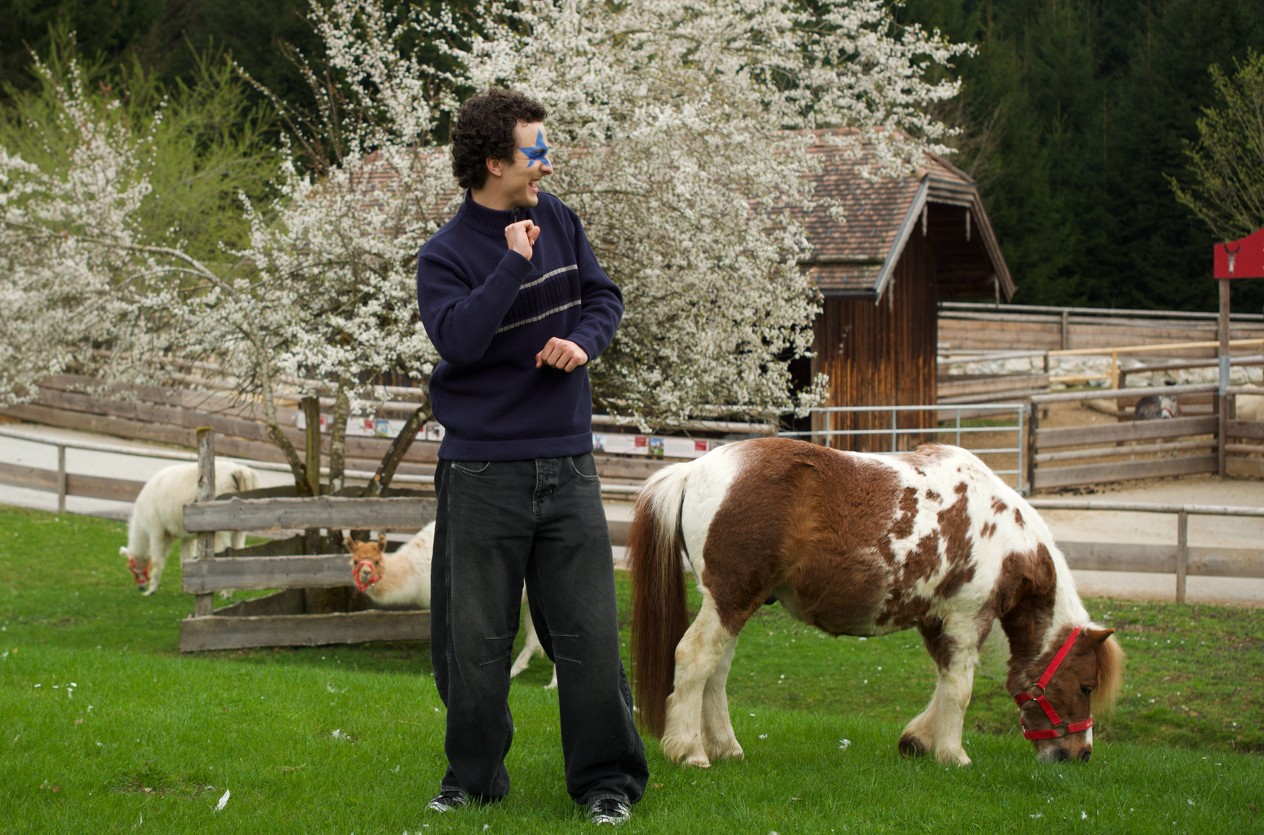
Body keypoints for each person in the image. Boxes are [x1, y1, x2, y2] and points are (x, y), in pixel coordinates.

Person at [415, 87, 649, 826]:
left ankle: (607, 784)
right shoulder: (445, 255)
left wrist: (585, 340)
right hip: (482, 472)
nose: (547, 165)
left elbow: (603, 298)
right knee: (474, 645)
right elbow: (457, 339)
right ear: (493, 162)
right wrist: (511, 266)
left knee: (587, 637)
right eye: (535, 152)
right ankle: (474, 780)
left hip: (567, 464)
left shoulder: (561, 220)